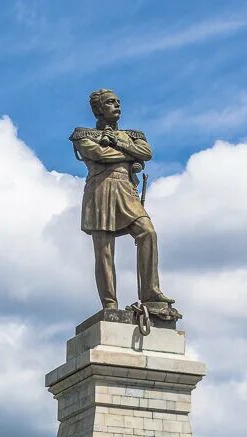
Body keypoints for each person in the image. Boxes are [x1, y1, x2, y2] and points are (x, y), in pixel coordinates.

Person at [70, 89, 174, 311]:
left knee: (147, 232)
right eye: (110, 103)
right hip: (100, 189)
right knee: (104, 251)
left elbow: (146, 153)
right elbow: (100, 155)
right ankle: (110, 304)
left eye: (118, 102)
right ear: (99, 109)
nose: (117, 106)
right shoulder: (83, 135)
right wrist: (131, 155)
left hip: (126, 190)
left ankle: (150, 293)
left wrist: (118, 143)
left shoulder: (132, 135)